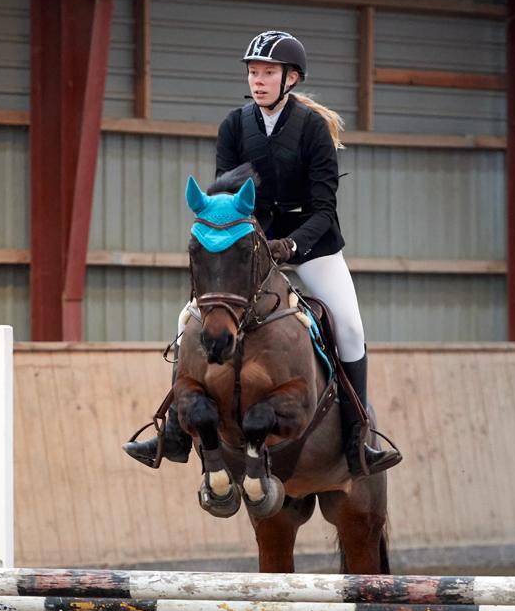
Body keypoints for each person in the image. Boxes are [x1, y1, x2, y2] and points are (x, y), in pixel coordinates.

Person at [124, 30, 401, 476]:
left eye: (268, 72)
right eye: (253, 72)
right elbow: (226, 193)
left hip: (310, 242)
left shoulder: (312, 131)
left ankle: (358, 438)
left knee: (349, 326)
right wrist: (242, 237)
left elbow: (324, 210)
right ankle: (173, 429)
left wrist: (291, 244)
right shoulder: (235, 125)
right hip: (251, 243)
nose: (258, 80)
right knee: (187, 319)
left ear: (290, 78)